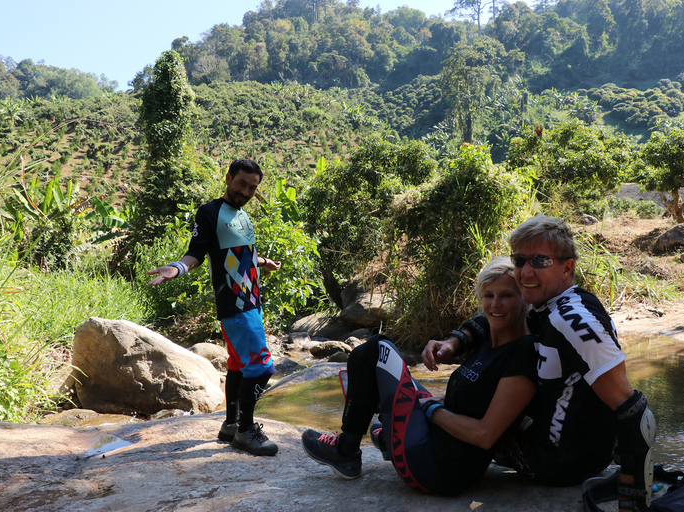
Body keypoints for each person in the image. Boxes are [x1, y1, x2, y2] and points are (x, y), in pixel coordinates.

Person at [423, 215, 656, 512]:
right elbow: (498, 317)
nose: (525, 271)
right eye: (519, 260)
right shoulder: (551, 304)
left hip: (555, 464)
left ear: (567, 266)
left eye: (540, 260)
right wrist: (455, 342)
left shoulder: (571, 321)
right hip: (578, 451)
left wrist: (631, 496)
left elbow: (633, 410)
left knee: (469, 399)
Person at [301, 257, 538, 495]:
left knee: (376, 347)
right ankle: (385, 439)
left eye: (506, 295)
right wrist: (429, 397)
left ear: (524, 300)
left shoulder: (523, 353)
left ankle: (346, 450)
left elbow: (484, 435)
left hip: (435, 469)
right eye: (489, 295)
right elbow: (472, 397)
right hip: (438, 450)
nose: (495, 304)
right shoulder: (493, 333)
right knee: (393, 382)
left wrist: (427, 409)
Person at [147, 158, 282, 457]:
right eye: (241, 184)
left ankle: (231, 426)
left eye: (252, 187)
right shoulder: (210, 212)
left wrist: (262, 263)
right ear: (228, 178)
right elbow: (197, 252)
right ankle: (246, 431)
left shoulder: (241, 215)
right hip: (235, 304)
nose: (246, 191)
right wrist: (177, 268)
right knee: (261, 368)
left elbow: (237, 254)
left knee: (237, 364)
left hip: (251, 301)